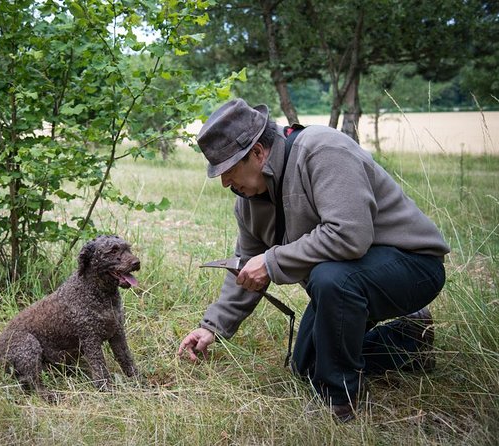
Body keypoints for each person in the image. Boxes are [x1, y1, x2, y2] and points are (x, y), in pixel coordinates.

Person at [177, 98, 450, 421]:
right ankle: (410, 339)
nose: (225, 182)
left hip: (413, 266)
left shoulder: (321, 150)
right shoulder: (248, 200)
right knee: (307, 365)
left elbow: (349, 236)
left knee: (330, 278)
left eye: (228, 169)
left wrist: (272, 261)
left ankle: (340, 399)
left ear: (257, 153)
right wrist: (211, 327)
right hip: (352, 276)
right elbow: (246, 266)